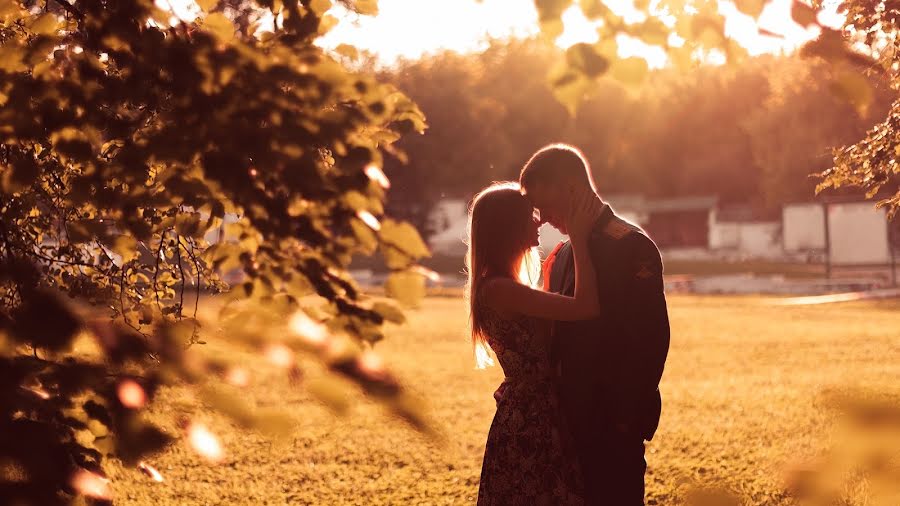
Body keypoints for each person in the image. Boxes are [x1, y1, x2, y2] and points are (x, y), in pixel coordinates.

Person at [519, 143, 670, 505]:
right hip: (570, 417)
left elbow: (649, 341)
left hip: (612, 419)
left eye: (546, 204)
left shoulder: (630, 246)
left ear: (571, 188)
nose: (541, 218)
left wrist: (624, 418)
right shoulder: (566, 252)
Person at [468, 181, 605, 506]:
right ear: (508, 227)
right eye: (530, 215)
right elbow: (585, 307)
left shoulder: (503, 286)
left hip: (535, 414)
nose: (539, 221)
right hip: (529, 422)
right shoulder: (500, 290)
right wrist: (581, 240)